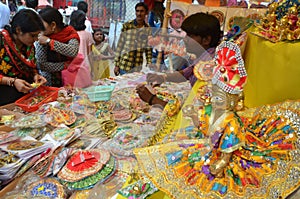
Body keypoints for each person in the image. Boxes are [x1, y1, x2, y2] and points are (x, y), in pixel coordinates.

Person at [134, 41, 300, 199]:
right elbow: (204, 127)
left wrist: (222, 161)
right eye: (214, 97)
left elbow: (229, 145)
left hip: (223, 153)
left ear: (236, 102)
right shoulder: (210, 110)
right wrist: (193, 115)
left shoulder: (231, 121)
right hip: (210, 147)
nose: (215, 101)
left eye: (221, 100)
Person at [136, 12, 221, 107]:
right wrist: (163, 77)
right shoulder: (205, 57)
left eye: (190, 36)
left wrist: (152, 99)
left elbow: (198, 111)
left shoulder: (209, 68)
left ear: (206, 40)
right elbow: (186, 73)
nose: (185, 39)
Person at [0, 9, 47, 105]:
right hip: (4, 98)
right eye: (32, 36)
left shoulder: (29, 46)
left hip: (25, 95)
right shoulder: (1, 42)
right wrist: (12, 82)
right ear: (18, 30)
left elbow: (31, 66)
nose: (35, 40)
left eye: (37, 36)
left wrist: (35, 75)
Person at [35, 6, 80, 87]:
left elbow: (73, 51)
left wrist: (50, 42)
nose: (39, 28)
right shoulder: (41, 38)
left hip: (71, 79)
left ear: (53, 25)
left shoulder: (69, 33)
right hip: (50, 80)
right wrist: (64, 65)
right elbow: (41, 65)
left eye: (41, 25)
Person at [114, 2, 152, 75]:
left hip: (137, 67)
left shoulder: (148, 29)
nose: (139, 13)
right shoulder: (127, 26)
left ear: (146, 13)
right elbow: (120, 46)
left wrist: (149, 62)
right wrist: (116, 64)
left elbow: (148, 48)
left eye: (141, 11)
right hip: (124, 65)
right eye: (137, 11)